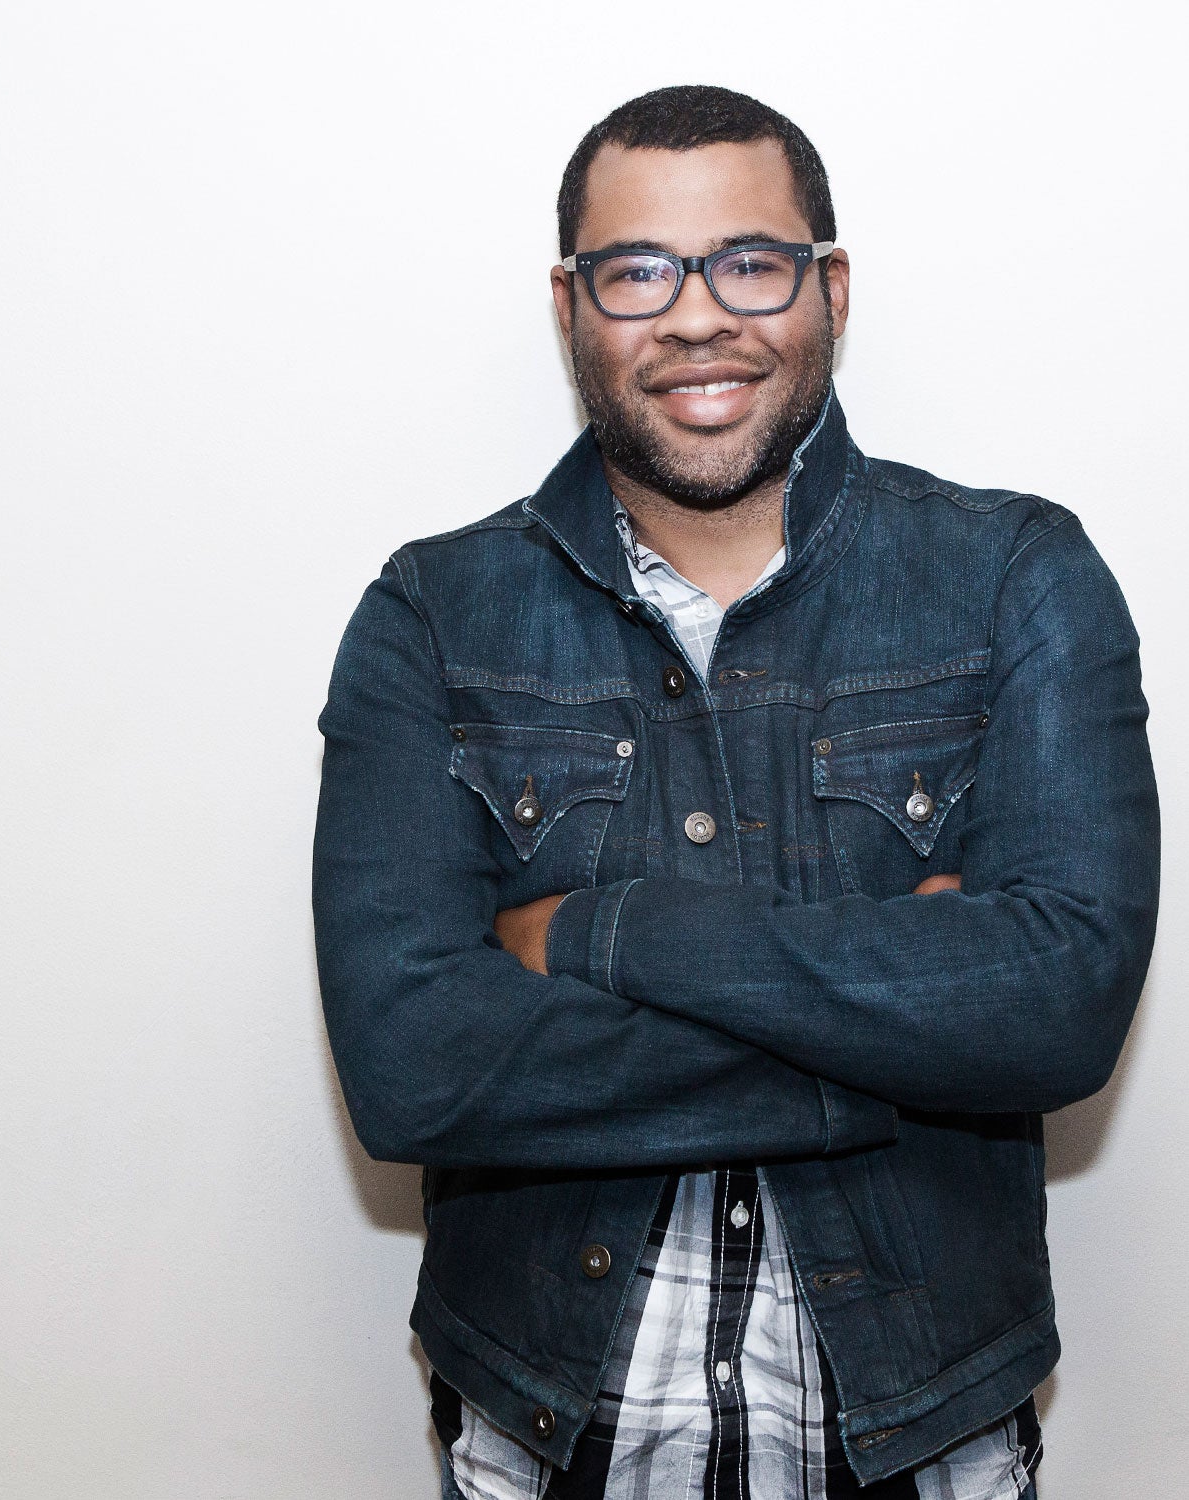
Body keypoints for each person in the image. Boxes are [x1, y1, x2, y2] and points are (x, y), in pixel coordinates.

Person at [312, 84, 1158, 1499]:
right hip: (547, 1436)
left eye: (750, 262)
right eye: (637, 271)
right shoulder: (432, 615)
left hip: (928, 1438)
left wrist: (596, 933)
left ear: (832, 288)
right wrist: (900, 1037)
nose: (697, 317)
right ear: (571, 307)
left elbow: (1059, 1007)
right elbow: (412, 1070)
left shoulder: (1019, 577)